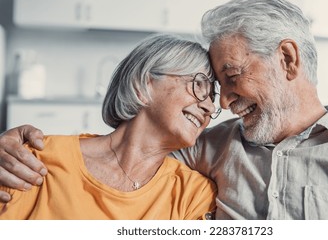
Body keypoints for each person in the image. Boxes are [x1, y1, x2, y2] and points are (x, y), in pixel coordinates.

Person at [1, 0, 328, 220]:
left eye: (231, 77)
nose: (220, 103)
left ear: (287, 60)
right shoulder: (210, 146)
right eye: (209, 85)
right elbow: (130, 148)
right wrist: (12, 147)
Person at [0, 33, 218, 219]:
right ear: (143, 84)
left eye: (212, 96)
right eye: (198, 85)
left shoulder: (193, 195)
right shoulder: (34, 160)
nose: (209, 106)